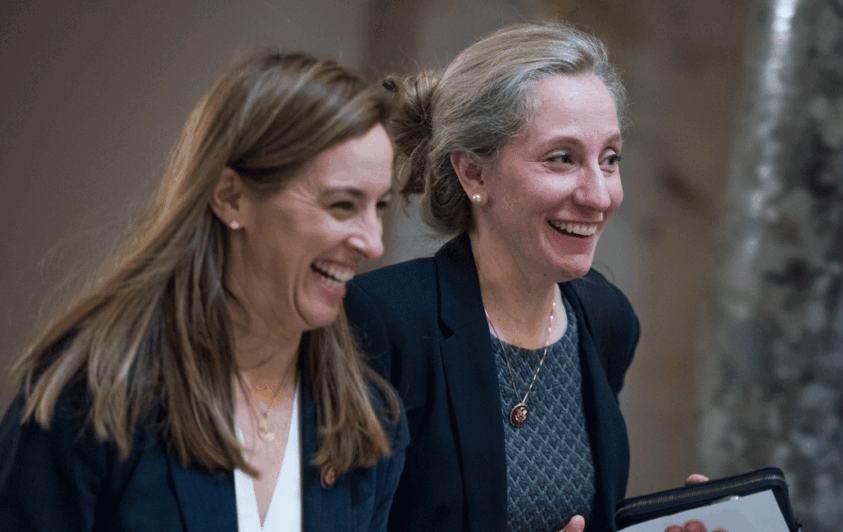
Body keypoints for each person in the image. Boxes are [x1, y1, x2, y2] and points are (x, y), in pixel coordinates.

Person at [0, 51, 407, 531]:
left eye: (379, 207)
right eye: (342, 205)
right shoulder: (97, 393)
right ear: (231, 197)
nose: (374, 243)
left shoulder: (368, 422)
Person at [345, 22, 724, 532]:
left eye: (609, 159)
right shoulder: (382, 319)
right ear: (474, 173)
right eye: (562, 158)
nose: (599, 195)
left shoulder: (607, 319)